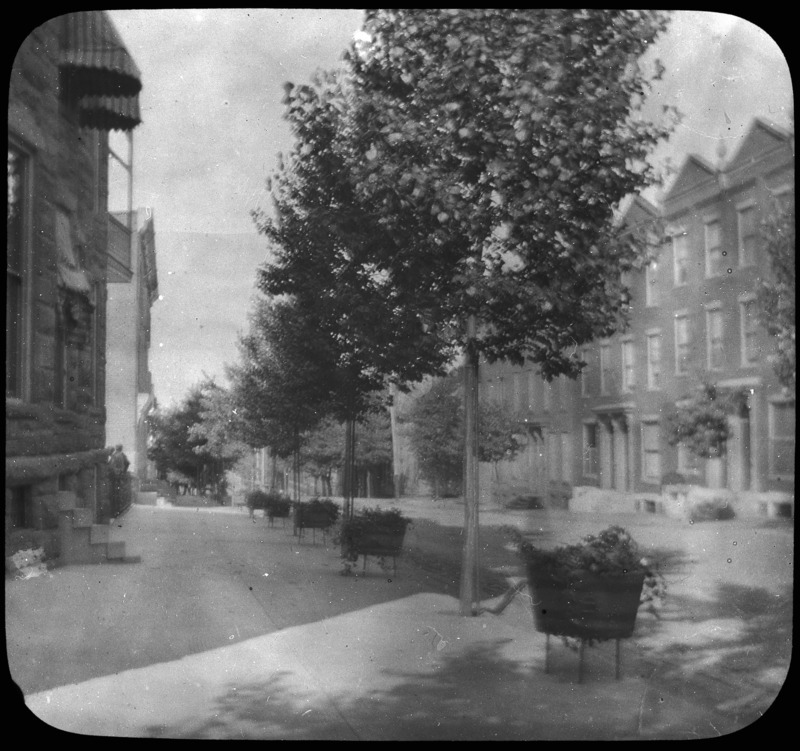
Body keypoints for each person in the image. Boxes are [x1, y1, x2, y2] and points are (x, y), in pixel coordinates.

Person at [108, 444, 130, 517]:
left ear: (116, 448)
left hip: (114, 476)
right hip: (120, 475)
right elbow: (127, 463)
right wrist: (124, 471)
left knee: (113, 494)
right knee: (118, 493)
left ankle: (114, 512)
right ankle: (118, 511)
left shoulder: (114, 456)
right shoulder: (123, 455)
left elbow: (111, 466)